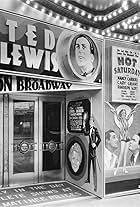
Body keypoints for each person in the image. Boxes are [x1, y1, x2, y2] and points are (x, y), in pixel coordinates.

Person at [106, 102, 140, 175]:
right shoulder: (120, 119)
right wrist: (107, 104)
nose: (124, 114)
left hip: (127, 137)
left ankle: (124, 169)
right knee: (121, 153)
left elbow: (131, 112)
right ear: (121, 114)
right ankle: (117, 170)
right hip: (123, 137)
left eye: (125, 113)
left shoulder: (127, 119)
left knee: (125, 154)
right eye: (123, 113)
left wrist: (136, 106)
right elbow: (114, 111)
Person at [82, 111, 101, 191]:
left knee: (94, 168)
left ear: (93, 122)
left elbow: (99, 139)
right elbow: (85, 133)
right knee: (88, 166)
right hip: (89, 149)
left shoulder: (95, 130)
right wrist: (83, 125)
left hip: (93, 150)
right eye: (89, 121)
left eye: (91, 121)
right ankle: (88, 179)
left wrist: (95, 144)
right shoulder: (89, 129)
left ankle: (95, 186)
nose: (90, 123)